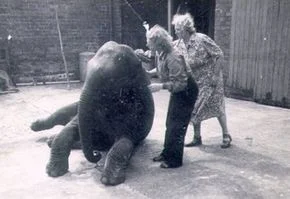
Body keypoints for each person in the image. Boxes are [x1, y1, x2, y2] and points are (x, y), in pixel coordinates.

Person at [171, 13, 232, 148]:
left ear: (186, 28)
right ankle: (197, 137)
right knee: (195, 108)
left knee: (217, 106)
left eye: (178, 29)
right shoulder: (178, 44)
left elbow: (219, 55)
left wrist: (215, 76)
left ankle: (226, 134)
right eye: (175, 29)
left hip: (211, 80)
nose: (175, 31)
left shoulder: (201, 39)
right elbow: (166, 50)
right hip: (195, 82)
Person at [142, 25, 198, 168]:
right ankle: (167, 153)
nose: (147, 44)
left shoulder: (173, 56)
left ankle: (174, 160)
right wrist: (150, 73)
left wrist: (160, 86)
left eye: (149, 41)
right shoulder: (162, 53)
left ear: (158, 42)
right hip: (179, 90)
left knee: (177, 126)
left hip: (186, 91)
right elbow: (162, 68)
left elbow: (180, 83)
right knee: (170, 123)